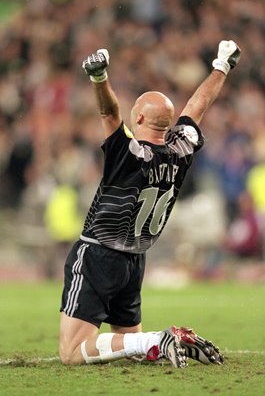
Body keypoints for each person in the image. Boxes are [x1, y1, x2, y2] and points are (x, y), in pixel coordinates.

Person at [59, 40, 241, 367]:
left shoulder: (129, 154)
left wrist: (99, 78)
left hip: (98, 254)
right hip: (135, 261)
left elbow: (108, 111)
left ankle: (158, 338)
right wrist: (222, 67)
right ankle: (167, 343)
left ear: (139, 117)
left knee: (72, 352)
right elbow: (198, 106)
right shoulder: (181, 150)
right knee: (131, 349)